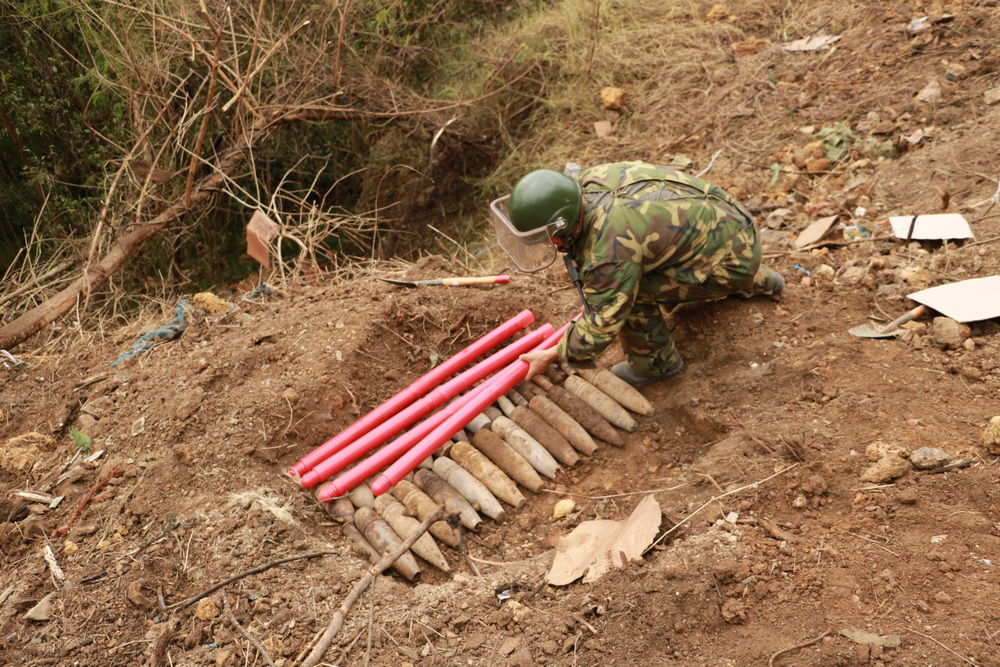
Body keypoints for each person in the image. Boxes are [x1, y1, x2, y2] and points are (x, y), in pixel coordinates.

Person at [488, 160, 784, 387]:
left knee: (631, 297)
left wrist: (554, 353)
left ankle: (656, 364)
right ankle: (758, 277)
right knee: (628, 280)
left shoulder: (609, 249)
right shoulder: (592, 180)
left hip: (731, 258)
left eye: (544, 237)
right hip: (732, 227)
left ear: (561, 224)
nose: (544, 244)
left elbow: (604, 324)